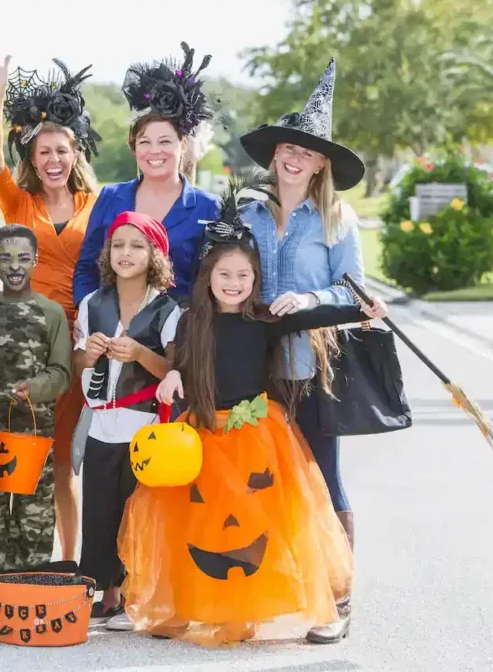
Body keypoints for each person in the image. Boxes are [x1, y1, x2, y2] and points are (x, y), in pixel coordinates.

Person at [119, 175, 386, 646]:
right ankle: (184, 603)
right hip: (201, 431)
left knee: (255, 520)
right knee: (191, 522)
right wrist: (176, 377)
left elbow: (315, 314)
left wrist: (362, 310)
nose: (234, 284)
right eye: (225, 275)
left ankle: (250, 605)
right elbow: (179, 362)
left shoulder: (263, 320)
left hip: (254, 434)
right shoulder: (192, 320)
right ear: (208, 278)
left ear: (255, 280)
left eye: (244, 276)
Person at [238, 59, 368, 644]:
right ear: (275, 155)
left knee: (324, 476)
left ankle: (339, 599)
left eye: (307, 151)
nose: (293, 157)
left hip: (313, 369)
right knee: (264, 479)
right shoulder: (247, 214)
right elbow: (228, 279)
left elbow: (356, 291)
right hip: (255, 369)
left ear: (321, 163)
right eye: (287, 147)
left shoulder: (339, 219)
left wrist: (310, 296)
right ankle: (274, 591)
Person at [0, 43, 100, 562]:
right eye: (43, 151)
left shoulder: (99, 202)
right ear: (33, 157)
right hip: (23, 340)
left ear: (76, 154)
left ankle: (68, 560)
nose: (52, 159)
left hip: (80, 341)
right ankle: (11, 556)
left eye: (61, 151)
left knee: (64, 457)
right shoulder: (19, 201)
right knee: (21, 450)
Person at [71, 212, 180, 631]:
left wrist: (138, 354)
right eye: (118, 245)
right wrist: (90, 353)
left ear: (155, 254)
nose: (126, 253)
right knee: (99, 508)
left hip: (143, 426)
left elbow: (172, 366)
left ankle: (137, 588)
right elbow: (78, 360)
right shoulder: (93, 303)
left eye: (137, 246)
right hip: (99, 423)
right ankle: (106, 591)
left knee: (136, 508)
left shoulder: (167, 309)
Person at [0, 224, 72, 622]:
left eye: (23, 257)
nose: (15, 266)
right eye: (5, 258)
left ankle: (28, 586)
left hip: (32, 429)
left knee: (32, 512)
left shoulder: (51, 312)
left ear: (36, 260)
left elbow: (62, 373)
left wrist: (35, 387)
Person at [73, 42, 220, 306]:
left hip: (178, 336)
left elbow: (212, 281)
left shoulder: (208, 208)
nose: (154, 152)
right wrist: (89, 316)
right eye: (144, 142)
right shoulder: (110, 197)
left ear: (183, 145)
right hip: (111, 333)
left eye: (165, 142)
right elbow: (87, 267)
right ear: (133, 148)